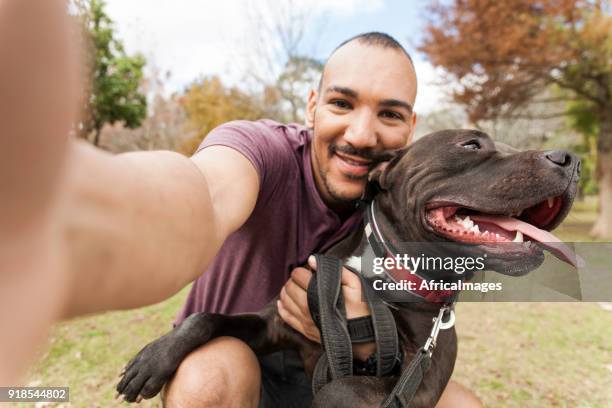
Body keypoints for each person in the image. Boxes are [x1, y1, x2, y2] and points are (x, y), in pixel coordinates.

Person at [0, 2, 482, 406]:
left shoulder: (406, 198)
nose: (361, 135)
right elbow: (203, 198)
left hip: (341, 383)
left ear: (412, 127)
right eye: (341, 104)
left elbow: (430, 325)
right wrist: (48, 213)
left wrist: (364, 336)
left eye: (390, 114)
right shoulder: (263, 150)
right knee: (214, 374)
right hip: (237, 373)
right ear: (313, 106)